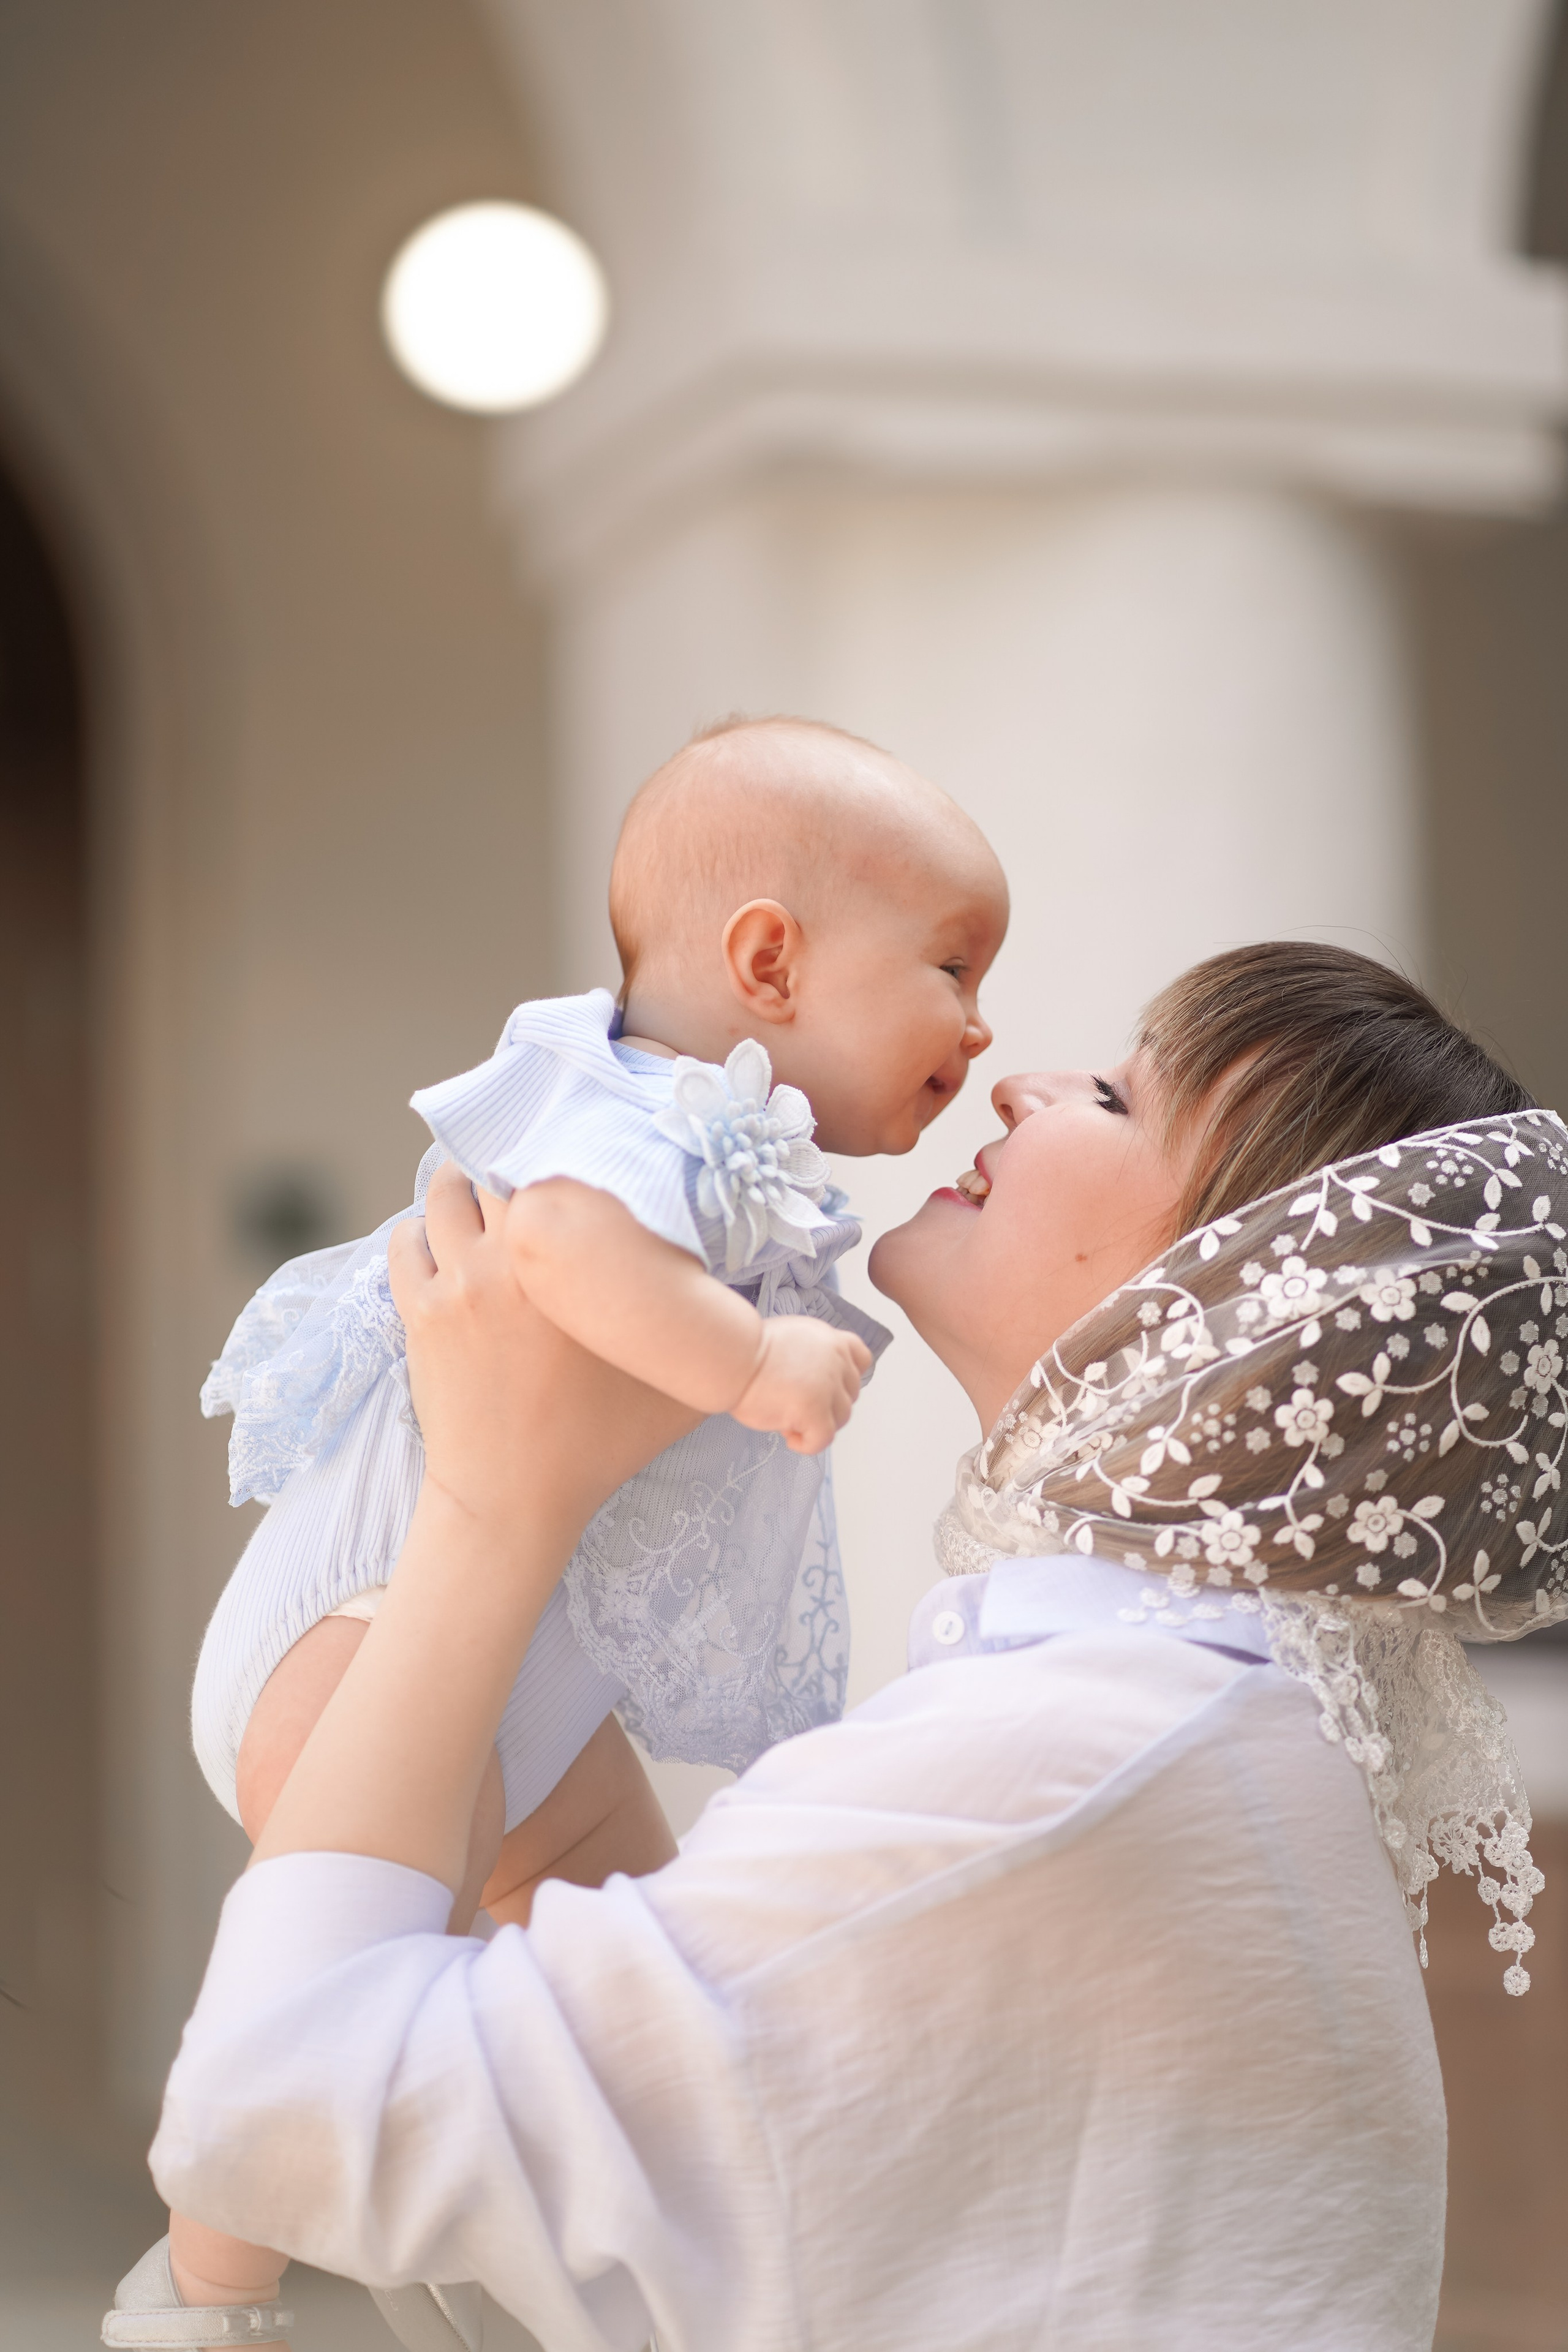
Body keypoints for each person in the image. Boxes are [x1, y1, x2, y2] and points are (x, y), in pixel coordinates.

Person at [137, 944, 1565, 2352]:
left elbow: (270, 2116)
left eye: (1118, 1099)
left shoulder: (1072, 1759)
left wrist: (487, 1505)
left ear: (1255, 1304)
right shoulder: (1191, 1726)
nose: (1018, 1083)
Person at [110, 715, 1005, 2348]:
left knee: (629, 1975)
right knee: (335, 2010)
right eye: (952, 965)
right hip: (369, 1633)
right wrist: (754, 1362)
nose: (980, 1019)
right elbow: (566, 1254)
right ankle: (203, 2291)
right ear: (768, 962)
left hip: (532, 1674)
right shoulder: (643, 1105)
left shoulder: (723, 1140)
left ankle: (531, 2276)